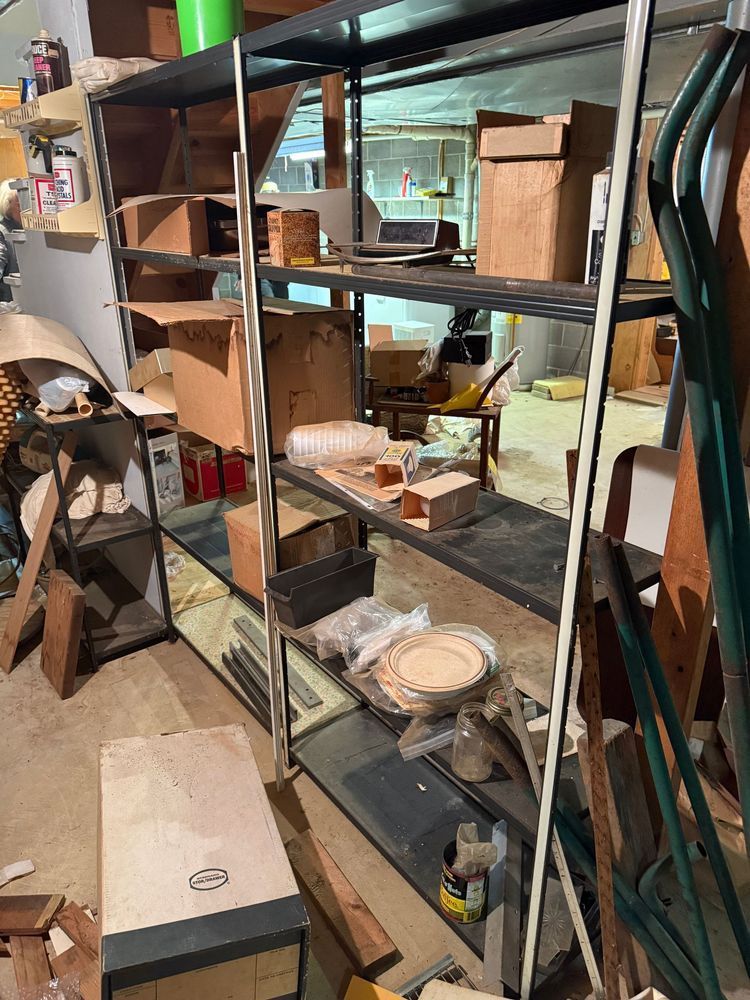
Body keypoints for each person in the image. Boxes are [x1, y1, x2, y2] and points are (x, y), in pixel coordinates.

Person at [0, 179, 22, 303]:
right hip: (9, 308)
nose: (25, 209)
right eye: (19, 205)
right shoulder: (2, 232)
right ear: (7, 205)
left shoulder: (28, 229)